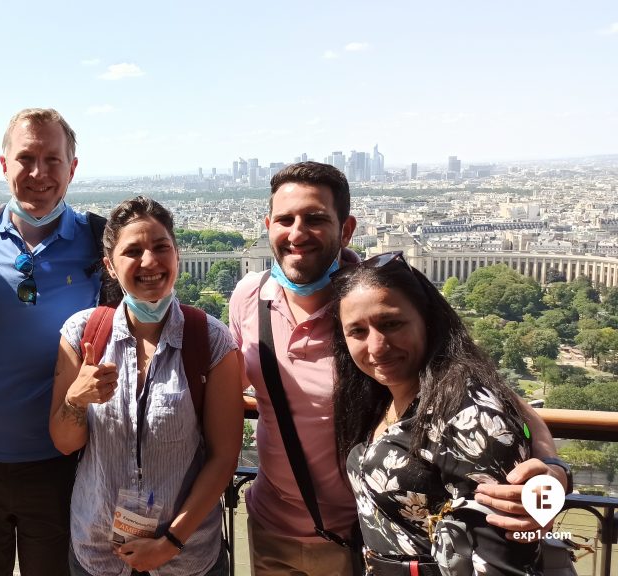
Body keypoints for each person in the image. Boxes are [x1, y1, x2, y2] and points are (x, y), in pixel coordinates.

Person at [227, 161, 568, 576]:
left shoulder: (376, 301)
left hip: (366, 531)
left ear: (346, 228)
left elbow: (488, 392)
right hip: (271, 525)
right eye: (285, 220)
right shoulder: (248, 297)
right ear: (269, 226)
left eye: (315, 219)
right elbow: (235, 383)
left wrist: (551, 472)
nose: (297, 234)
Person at [0, 108, 105, 575]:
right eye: (26, 158)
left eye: (52, 160)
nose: (38, 173)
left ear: (73, 168)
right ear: (3, 164)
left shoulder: (99, 242)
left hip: (62, 464)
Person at [50, 196, 243, 576]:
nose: (150, 262)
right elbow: (64, 441)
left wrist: (169, 543)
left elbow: (223, 458)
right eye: (133, 251)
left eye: (160, 247)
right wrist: (76, 399)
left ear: (177, 252)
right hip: (98, 551)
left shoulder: (211, 340)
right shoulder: (82, 334)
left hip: (185, 557)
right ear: (109, 265)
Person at [331, 251, 540, 573]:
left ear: (427, 320)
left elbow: (501, 561)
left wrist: (553, 473)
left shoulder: (470, 417)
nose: (375, 346)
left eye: (391, 323)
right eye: (357, 331)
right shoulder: (381, 396)